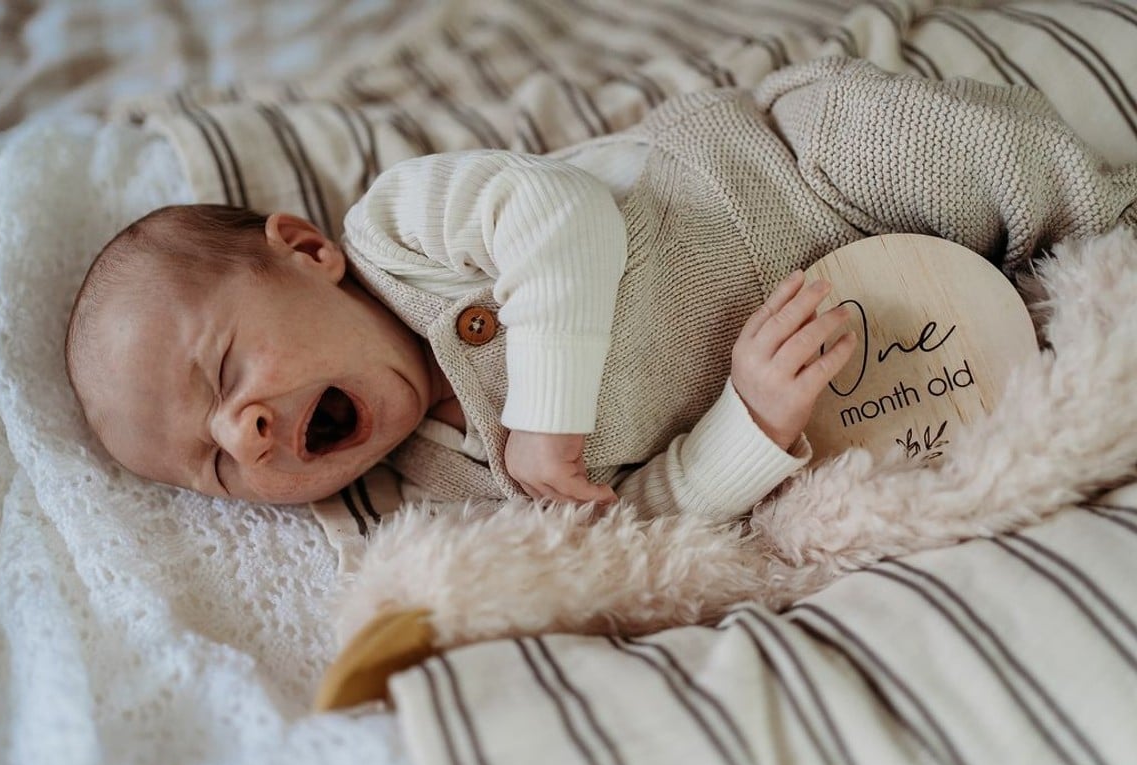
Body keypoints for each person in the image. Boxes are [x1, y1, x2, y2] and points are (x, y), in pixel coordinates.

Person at [64, 57, 1137, 522]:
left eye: (224, 367)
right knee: (951, 375)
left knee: (914, 141)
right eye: (215, 464)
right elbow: (642, 510)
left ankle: (1107, 222)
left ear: (305, 250)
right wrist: (749, 422)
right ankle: (1040, 300)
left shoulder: (402, 227)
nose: (246, 430)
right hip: (841, 338)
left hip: (779, 171)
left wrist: (544, 424)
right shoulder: (435, 491)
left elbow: (561, 220)